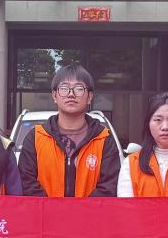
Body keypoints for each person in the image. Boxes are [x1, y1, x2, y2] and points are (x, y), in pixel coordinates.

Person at [18, 65, 120, 197]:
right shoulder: (36, 137)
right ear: (54, 96)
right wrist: (54, 208)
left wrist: (79, 209)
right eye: (64, 88)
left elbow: (109, 187)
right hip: (44, 210)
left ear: (90, 97)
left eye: (79, 88)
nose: (71, 94)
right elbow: (26, 183)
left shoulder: (104, 139)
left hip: (90, 211)